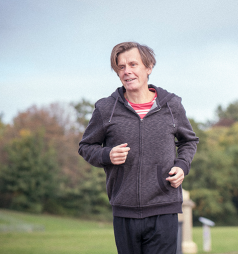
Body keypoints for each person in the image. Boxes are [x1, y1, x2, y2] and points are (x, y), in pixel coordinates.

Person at [78, 42, 199, 254]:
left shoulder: (172, 106)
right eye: (121, 67)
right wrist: (107, 154)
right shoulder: (106, 108)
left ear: (148, 67)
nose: (127, 71)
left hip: (164, 207)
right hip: (125, 211)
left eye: (133, 64)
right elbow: (86, 146)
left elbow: (189, 141)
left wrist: (182, 166)